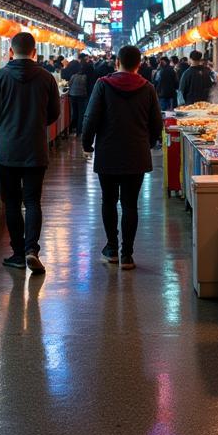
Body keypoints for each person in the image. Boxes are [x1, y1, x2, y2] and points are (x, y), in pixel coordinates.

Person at [0, 31, 61, 273]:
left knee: (13, 202)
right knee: (33, 201)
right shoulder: (47, 78)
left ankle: (17, 253)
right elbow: (54, 113)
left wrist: (7, 120)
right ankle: (31, 250)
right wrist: (35, 123)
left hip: (7, 150)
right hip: (35, 148)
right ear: (35, 52)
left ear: (10, 51)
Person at [82, 45, 163, 270]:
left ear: (117, 62)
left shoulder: (103, 85)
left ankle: (111, 249)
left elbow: (91, 117)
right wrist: (146, 143)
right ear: (139, 64)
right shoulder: (147, 88)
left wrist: (87, 144)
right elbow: (157, 123)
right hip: (136, 153)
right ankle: (127, 254)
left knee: (108, 201)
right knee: (130, 205)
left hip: (108, 153)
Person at [67, 59, 89, 137]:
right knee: (81, 113)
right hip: (82, 96)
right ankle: (79, 131)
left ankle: (72, 129)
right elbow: (87, 86)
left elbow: (69, 84)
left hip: (73, 96)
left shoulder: (73, 76)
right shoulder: (85, 77)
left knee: (74, 112)